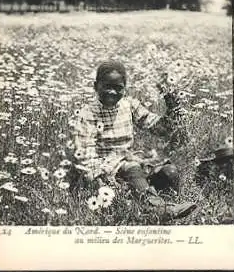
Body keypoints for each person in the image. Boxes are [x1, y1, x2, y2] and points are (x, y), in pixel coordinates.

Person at [71, 60, 197, 221]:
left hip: (129, 164)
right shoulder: (88, 113)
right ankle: (158, 210)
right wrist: (98, 179)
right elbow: (84, 153)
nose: (112, 92)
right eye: (106, 86)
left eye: (118, 88)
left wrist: (172, 108)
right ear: (96, 86)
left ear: (125, 88)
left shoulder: (128, 105)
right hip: (105, 169)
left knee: (169, 171)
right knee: (132, 166)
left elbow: (158, 127)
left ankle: (167, 203)